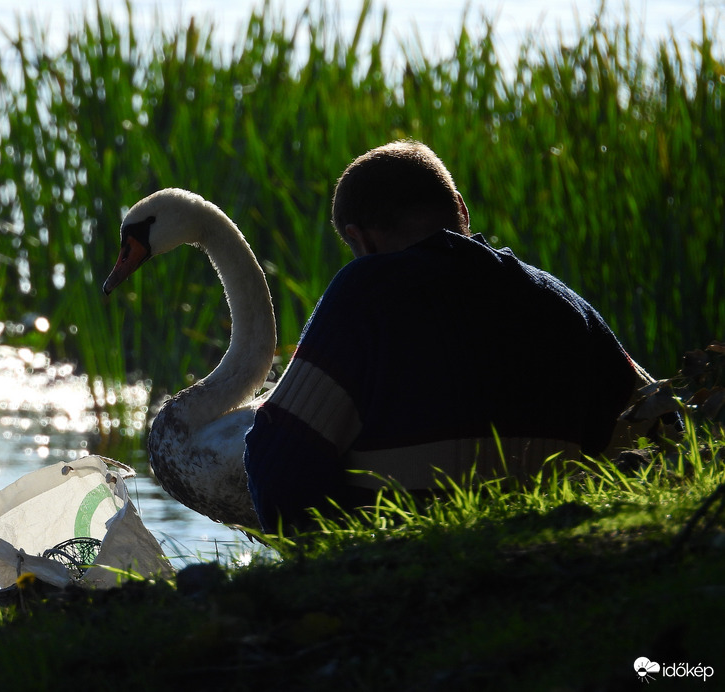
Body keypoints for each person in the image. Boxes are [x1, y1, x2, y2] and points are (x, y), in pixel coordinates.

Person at [243, 140, 653, 533]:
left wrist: (325, 548)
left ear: (359, 238)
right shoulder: (562, 303)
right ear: (461, 208)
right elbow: (652, 423)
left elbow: (279, 468)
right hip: (545, 539)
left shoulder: (366, 293)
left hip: (400, 551)